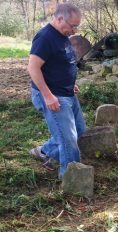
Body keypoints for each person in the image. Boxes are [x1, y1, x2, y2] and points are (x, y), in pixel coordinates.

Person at [27, 3, 86, 179]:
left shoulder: (62, 34)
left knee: (80, 130)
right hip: (53, 96)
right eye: (72, 26)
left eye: (77, 26)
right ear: (59, 18)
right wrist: (47, 96)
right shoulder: (45, 37)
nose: (75, 30)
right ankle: (72, 181)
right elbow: (33, 68)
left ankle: (44, 151)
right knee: (68, 141)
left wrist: (70, 83)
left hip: (67, 92)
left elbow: (60, 62)